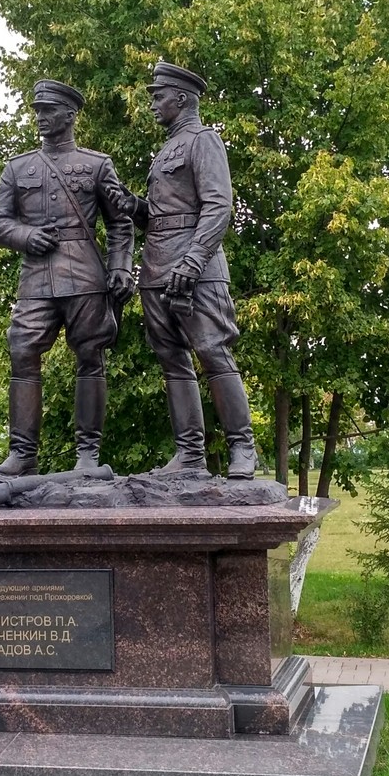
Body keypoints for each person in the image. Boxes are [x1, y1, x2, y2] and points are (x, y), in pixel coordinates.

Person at [0, 79, 135, 475]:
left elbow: (121, 223)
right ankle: (23, 454)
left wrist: (120, 267)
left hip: (85, 274)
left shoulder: (96, 164)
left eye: (48, 112)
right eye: (37, 112)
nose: (41, 118)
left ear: (69, 116)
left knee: (90, 357)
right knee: (22, 351)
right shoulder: (18, 167)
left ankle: (88, 454)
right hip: (36, 278)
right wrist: (26, 235)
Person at [136, 61, 256, 479]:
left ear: (181, 98)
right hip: (154, 268)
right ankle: (189, 456)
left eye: (158, 96)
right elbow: (160, 216)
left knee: (211, 352)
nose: (153, 104)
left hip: (196, 268)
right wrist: (130, 206)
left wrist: (193, 260)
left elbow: (219, 205)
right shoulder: (166, 150)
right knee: (172, 360)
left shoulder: (204, 141)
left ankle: (243, 448)